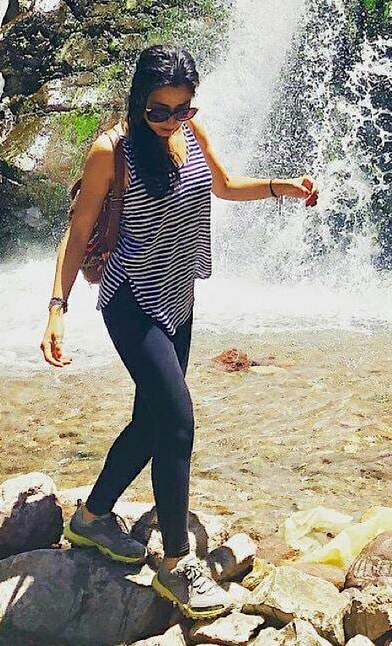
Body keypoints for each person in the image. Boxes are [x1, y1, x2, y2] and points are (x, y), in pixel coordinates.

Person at [40, 43, 319, 619]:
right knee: (178, 420)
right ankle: (174, 564)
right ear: (138, 100)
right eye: (159, 110)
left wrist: (282, 186)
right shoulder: (111, 151)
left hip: (178, 298)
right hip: (131, 300)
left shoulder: (191, 131)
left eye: (182, 108)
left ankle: (91, 518)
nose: (171, 120)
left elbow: (224, 185)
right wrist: (57, 308)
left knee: (152, 421)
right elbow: (79, 229)